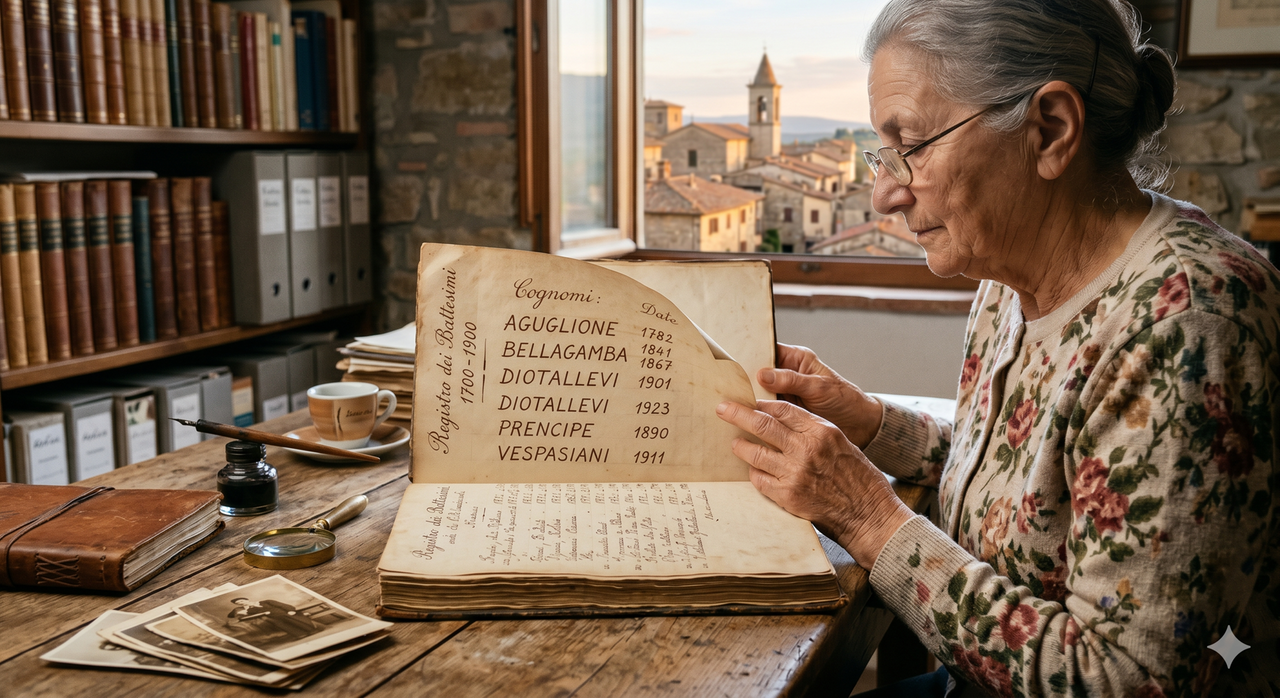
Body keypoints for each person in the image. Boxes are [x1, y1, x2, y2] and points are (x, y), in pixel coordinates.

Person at [715, 0, 1280, 696]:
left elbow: (1127, 680)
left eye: (912, 145)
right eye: (881, 150)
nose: (885, 193)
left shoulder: (1188, 323)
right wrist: (866, 422)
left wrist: (868, 515)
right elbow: (1026, 483)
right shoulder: (1007, 277)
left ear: (1050, 130)